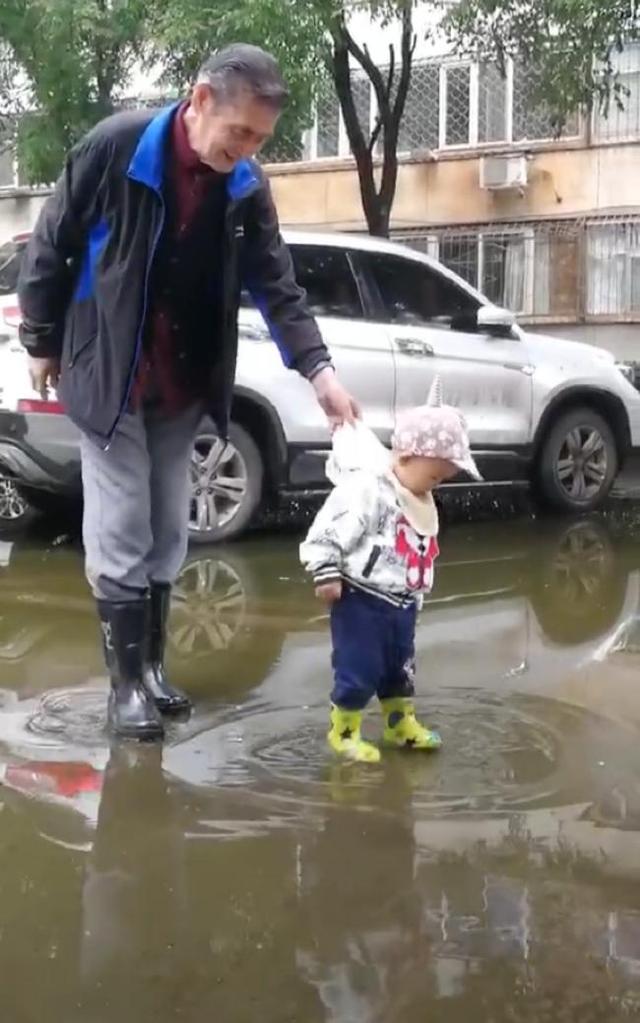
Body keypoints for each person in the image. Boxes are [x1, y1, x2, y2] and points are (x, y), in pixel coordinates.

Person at [17, 43, 359, 741]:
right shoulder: (115, 148)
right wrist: (42, 339)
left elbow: (275, 283)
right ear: (199, 99)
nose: (247, 150)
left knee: (170, 523)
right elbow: (51, 245)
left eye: (260, 139)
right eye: (241, 133)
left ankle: (152, 670)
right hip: (109, 368)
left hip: (184, 373)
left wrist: (320, 372)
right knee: (120, 524)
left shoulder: (243, 185)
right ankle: (124, 690)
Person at [300, 377, 481, 763]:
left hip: (400, 603)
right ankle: (344, 730)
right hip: (360, 599)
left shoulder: (417, 497)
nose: (437, 485)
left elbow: (418, 553)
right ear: (403, 458)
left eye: (443, 479)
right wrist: (326, 571)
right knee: (359, 666)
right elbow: (328, 530)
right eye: (434, 476)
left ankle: (399, 724)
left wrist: (416, 597)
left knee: (400, 667)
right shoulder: (369, 490)